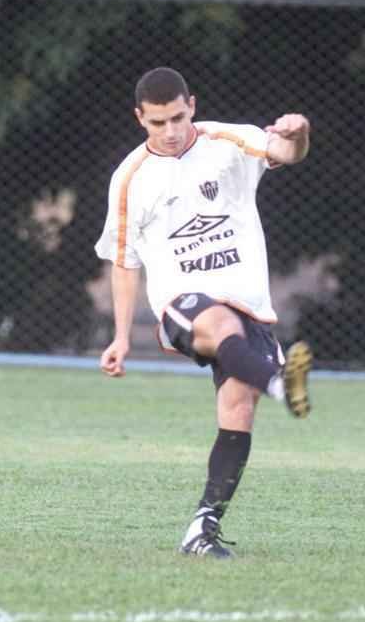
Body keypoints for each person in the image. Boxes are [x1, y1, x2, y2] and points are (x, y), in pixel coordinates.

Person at [95, 67, 313, 559]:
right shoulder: (130, 178)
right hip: (183, 302)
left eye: (177, 118)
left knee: (238, 411)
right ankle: (279, 381)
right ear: (139, 119)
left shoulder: (229, 141)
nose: (170, 132)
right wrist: (122, 336)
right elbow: (125, 263)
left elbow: (285, 153)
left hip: (248, 301)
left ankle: (202, 527)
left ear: (192, 105)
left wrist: (300, 134)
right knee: (219, 325)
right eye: (157, 123)